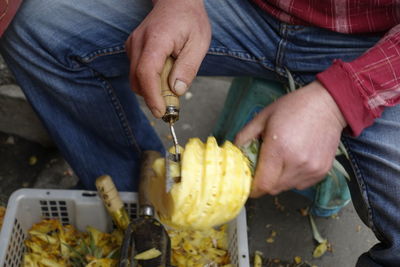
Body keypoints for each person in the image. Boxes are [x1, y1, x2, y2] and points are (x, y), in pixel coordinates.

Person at [0, 0, 399, 265]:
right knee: (40, 30)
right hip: (244, 8)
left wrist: (340, 100)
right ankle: (141, 209)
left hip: (375, 46)